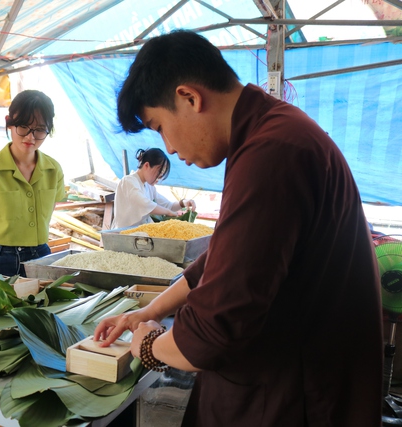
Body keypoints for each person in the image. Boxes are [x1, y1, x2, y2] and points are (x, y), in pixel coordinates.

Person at [94, 30, 382, 427]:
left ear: (189, 98)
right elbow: (219, 262)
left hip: (294, 395)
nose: (170, 149)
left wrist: (150, 345)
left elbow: (211, 335)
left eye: (160, 127)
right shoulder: (271, 133)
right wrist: (148, 310)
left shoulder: (272, 153)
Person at [0, 90, 65, 285]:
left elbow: (45, 218)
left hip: (40, 256)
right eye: (23, 127)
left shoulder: (54, 171)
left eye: (40, 129)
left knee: (36, 314)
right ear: (9, 122)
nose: (30, 137)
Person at [112, 147, 196, 229]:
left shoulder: (149, 187)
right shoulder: (128, 182)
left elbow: (168, 206)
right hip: (123, 234)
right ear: (147, 165)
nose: (159, 179)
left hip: (139, 235)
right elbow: (144, 204)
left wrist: (183, 203)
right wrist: (168, 212)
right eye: (159, 172)